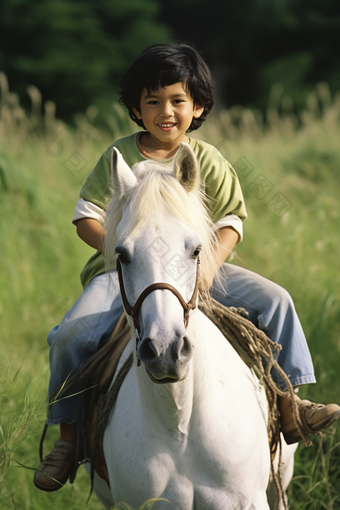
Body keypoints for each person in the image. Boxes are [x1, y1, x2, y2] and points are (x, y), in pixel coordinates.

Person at [34, 43, 340, 492]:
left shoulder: (207, 160)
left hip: (198, 270)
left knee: (276, 300)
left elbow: (232, 220)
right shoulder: (119, 158)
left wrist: (209, 264)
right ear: (136, 107)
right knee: (69, 336)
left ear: (197, 107)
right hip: (126, 276)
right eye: (153, 101)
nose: (166, 112)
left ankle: (291, 402)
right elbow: (87, 217)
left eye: (177, 101)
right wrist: (125, 256)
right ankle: (68, 438)